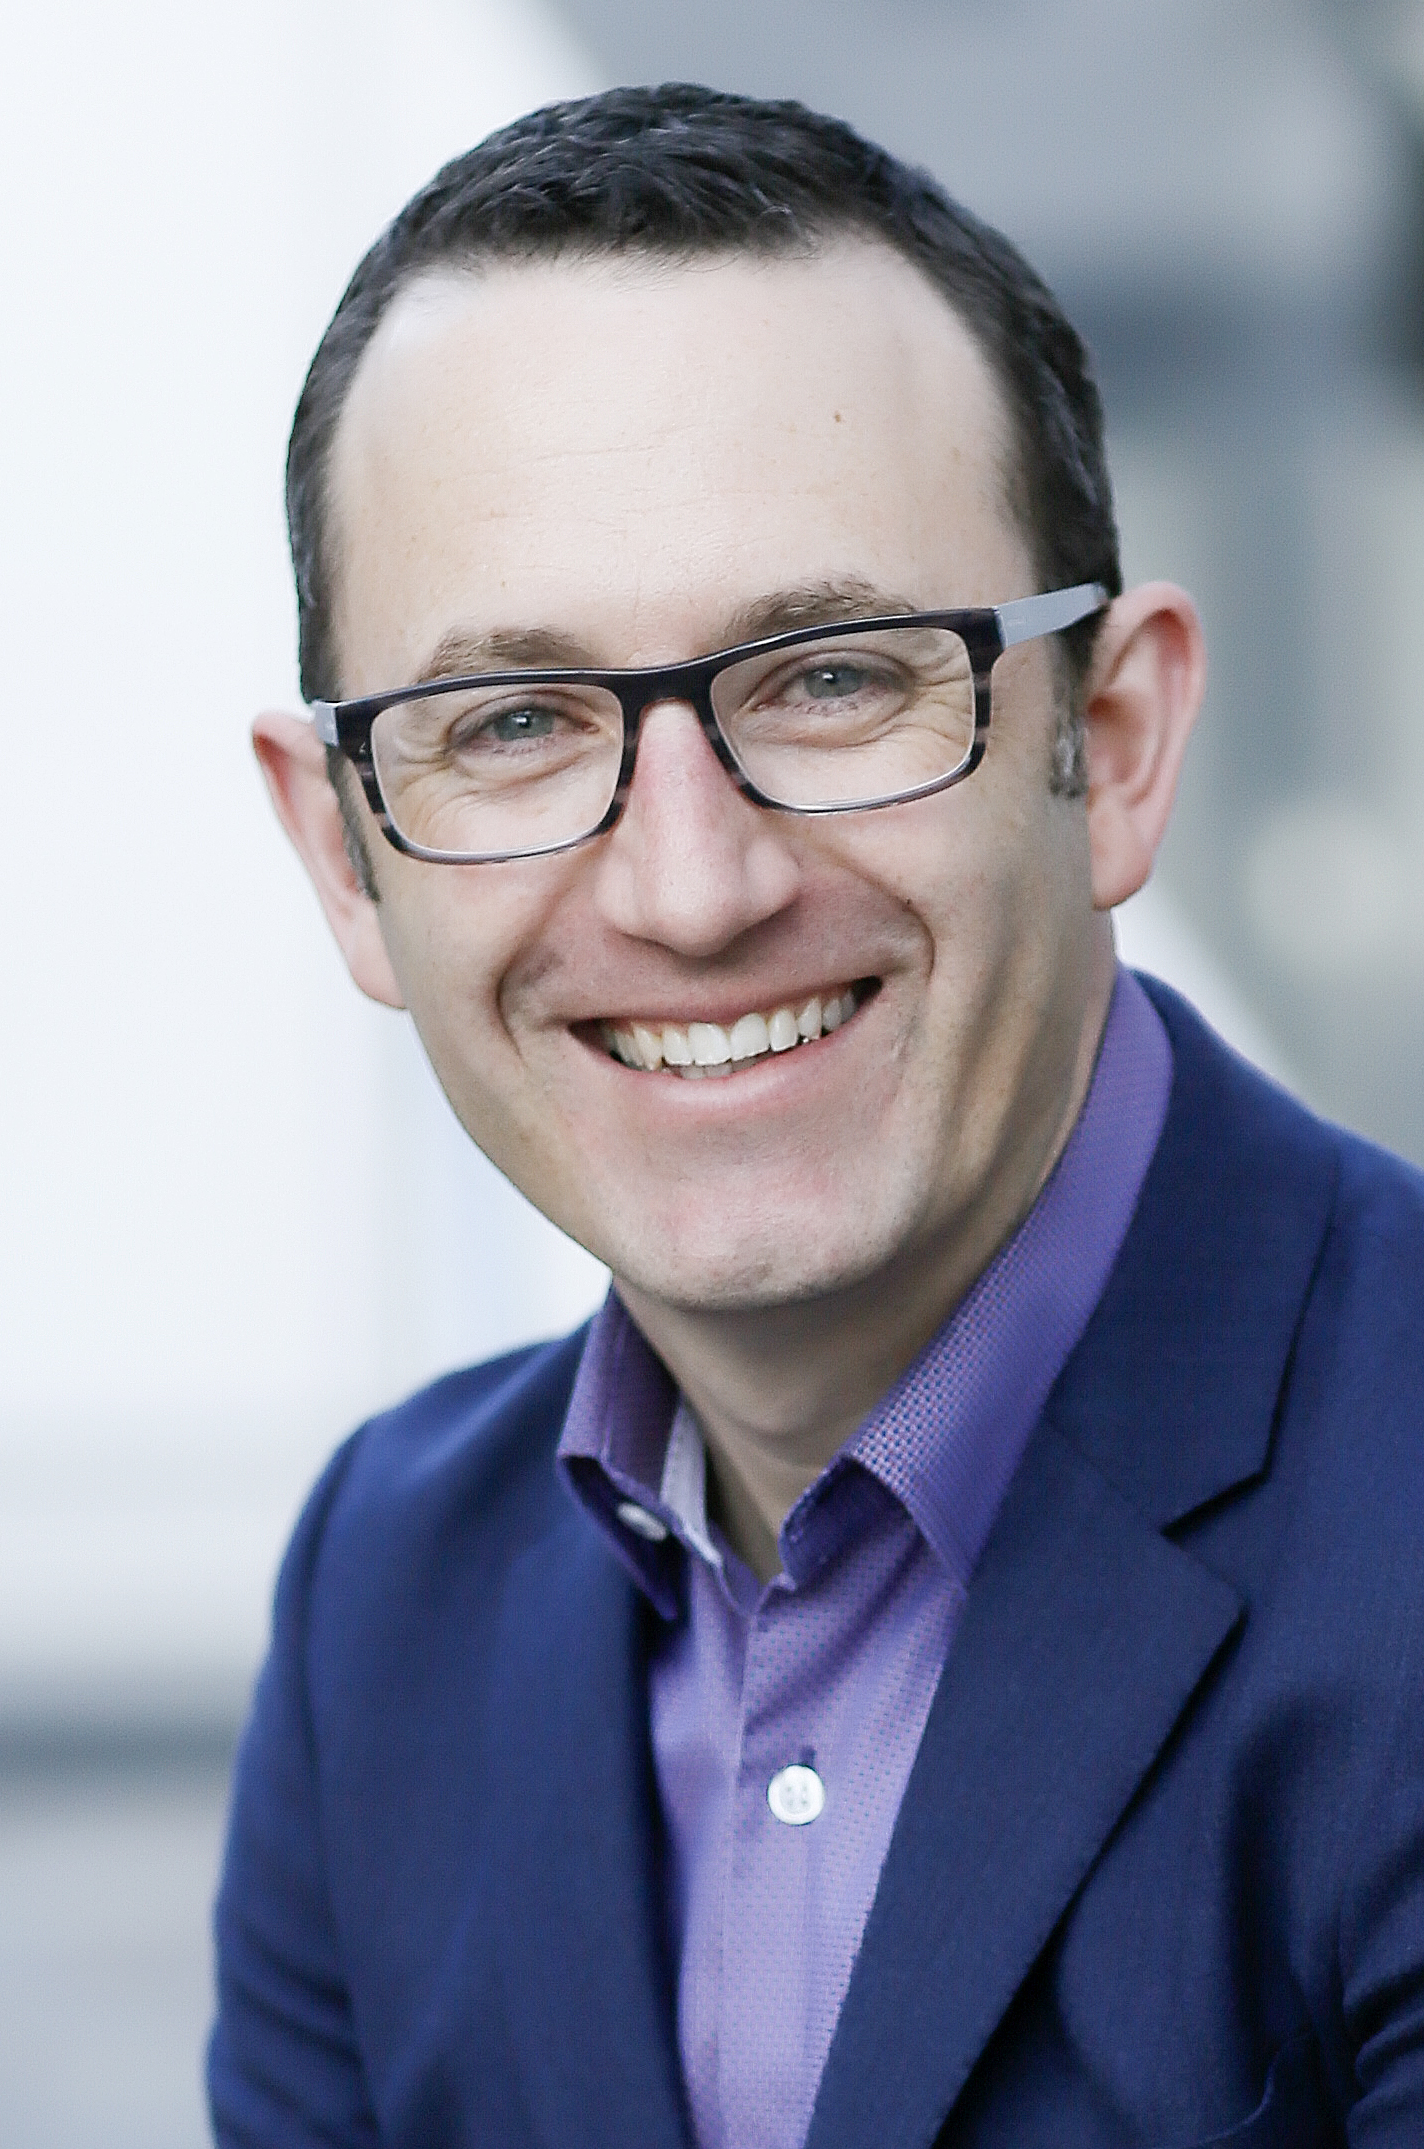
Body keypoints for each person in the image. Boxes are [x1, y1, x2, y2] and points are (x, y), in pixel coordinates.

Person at [209, 85, 1424, 2149]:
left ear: (1114, 741)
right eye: (514, 722)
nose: (692, 890)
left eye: (834, 678)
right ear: (348, 858)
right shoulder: (384, 1603)